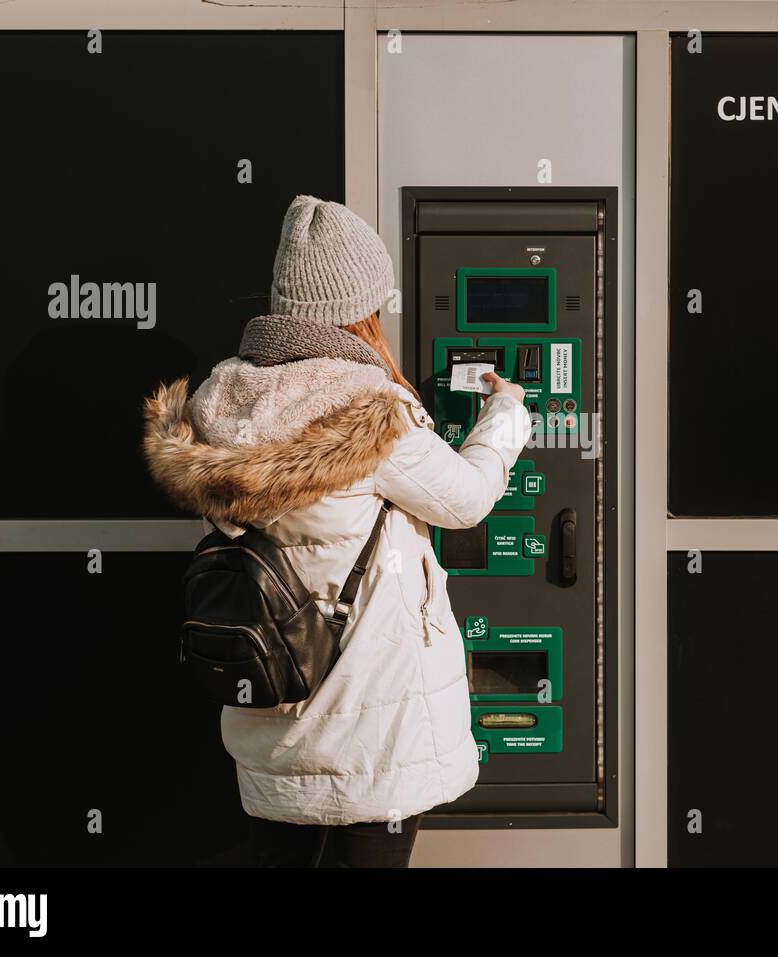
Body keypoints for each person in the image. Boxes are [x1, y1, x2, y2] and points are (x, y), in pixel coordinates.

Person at [142, 196, 530, 867]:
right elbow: (466, 500)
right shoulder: (371, 417)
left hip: (271, 727)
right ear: (358, 309)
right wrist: (507, 414)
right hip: (368, 742)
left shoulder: (217, 411)